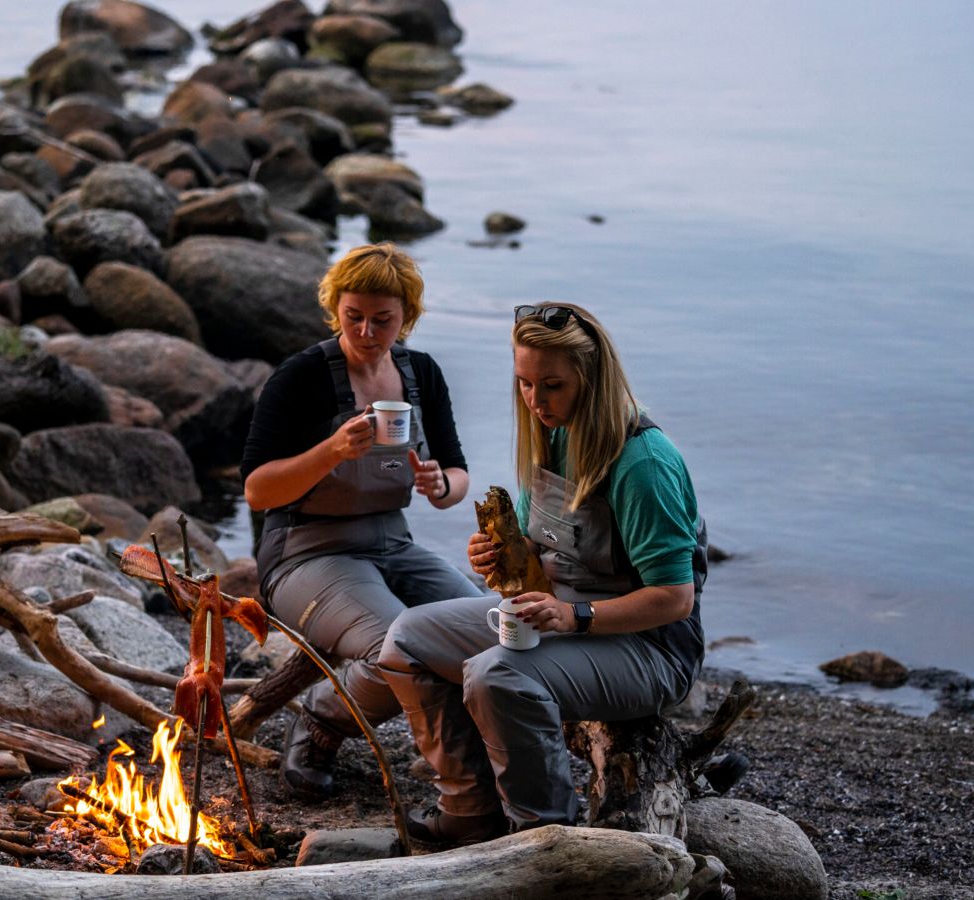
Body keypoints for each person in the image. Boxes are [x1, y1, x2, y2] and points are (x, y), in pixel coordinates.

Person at [378, 302, 708, 843]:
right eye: (525, 384)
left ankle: (546, 834)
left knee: (496, 674)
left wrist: (572, 615)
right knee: (406, 638)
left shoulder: (642, 463)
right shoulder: (552, 433)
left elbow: (675, 598)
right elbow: (540, 543)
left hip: (649, 646)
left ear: (592, 377)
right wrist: (497, 555)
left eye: (552, 385)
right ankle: (470, 811)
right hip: (559, 612)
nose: (536, 401)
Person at [241, 243, 478, 801]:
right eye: (354, 317)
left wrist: (441, 486)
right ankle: (323, 721)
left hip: (393, 544)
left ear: (407, 317)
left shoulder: (421, 374)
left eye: (383, 320)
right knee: (398, 647)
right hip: (305, 552)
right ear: (335, 309)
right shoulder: (301, 377)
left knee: (486, 628)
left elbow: (457, 473)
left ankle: (474, 745)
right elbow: (256, 490)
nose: (367, 331)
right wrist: (331, 452)